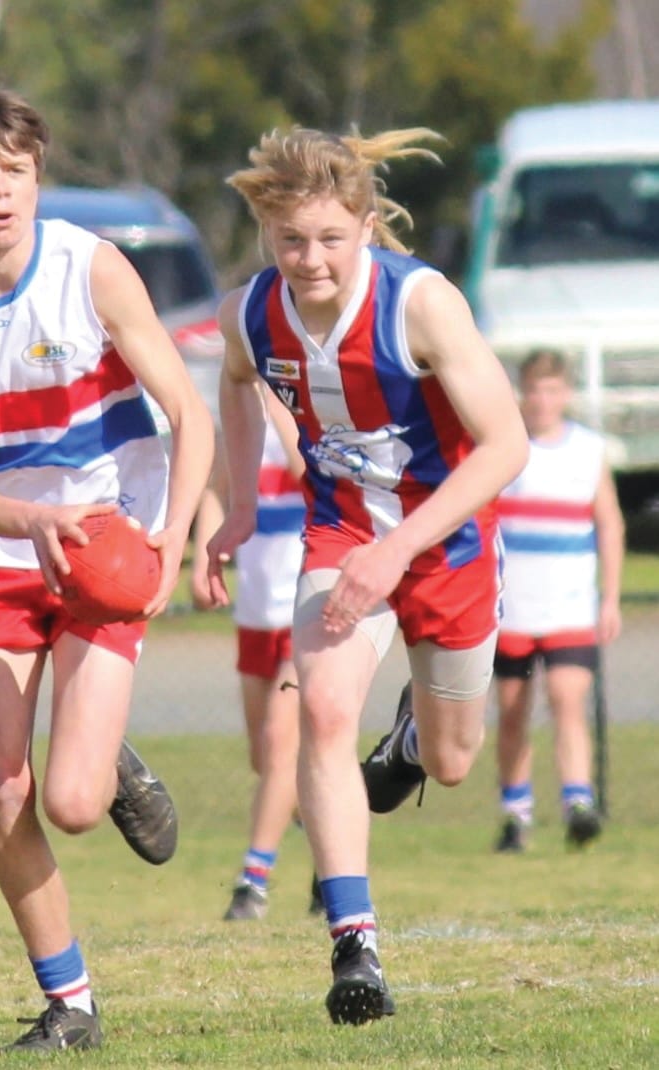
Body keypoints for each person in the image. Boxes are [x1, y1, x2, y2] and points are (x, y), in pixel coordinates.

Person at [0, 84, 214, 1052]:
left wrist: (172, 540)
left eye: (16, 170)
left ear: (37, 178)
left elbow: (189, 417)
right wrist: (29, 517)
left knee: (70, 800)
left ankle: (103, 757)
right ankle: (70, 1001)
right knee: (1, 790)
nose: (0, 189)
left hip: (109, 544)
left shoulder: (93, 268)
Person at [204, 125, 529, 1025]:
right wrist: (234, 504)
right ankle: (355, 947)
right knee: (320, 707)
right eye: (289, 240)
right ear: (266, 232)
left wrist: (399, 549)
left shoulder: (421, 303)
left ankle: (411, 747)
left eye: (329, 239)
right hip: (340, 532)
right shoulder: (251, 311)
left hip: (446, 541)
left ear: (364, 225)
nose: (309, 260)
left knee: (455, 761)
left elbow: (505, 446)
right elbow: (234, 380)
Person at [492, 349, 624, 853]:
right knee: (512, 711)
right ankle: (515, 813)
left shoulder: (588, 451)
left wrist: (609, 597)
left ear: (565, 394)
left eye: (552, 390)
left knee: (568, 700)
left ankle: (578, 803)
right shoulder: (506, 449)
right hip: (512, 609)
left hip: (568, 605)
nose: (542, 401)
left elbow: (609, 522)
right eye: (534, 390)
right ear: (522, 393)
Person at [190, 386, 314, 921]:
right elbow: (215, 488)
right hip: (255, 613)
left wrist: (281, 407)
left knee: (281, 746)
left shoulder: (302, 412)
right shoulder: (237, 417)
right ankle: (332, 854)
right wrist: (202, 558)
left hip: (306, 610)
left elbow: (307, 472)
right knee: (266, 761)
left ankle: (252, 882)